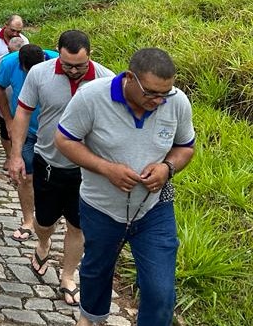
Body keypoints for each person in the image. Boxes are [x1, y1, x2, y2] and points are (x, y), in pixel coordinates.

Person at [56, 48, 194, 326]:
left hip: (154, 209)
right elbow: (64, 140)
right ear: (130, 78)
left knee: (160, 289)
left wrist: (167, 169)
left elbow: (185, 147)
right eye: (151, 93)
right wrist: (107, 169)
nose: (158, 101)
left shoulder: (176, 101)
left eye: (164, 93)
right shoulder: (92, 97)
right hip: (101, 206)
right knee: (97, 269)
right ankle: (91, 318)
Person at [7, 30, 113, 308]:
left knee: (78, 226)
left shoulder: (106, 78)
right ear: (58, 53)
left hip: (87, 169)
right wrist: (16, 155)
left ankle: (67, 276)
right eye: (68, 65)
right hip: (49, 162)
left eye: (80, 65)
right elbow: (23, 112)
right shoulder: (40, 74)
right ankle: (43, 244)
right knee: (45, 222)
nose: (74, 71)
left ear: (90, 55)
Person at [0, 44, 58, 240]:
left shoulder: (57, 62)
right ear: (21, 65)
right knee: (26, 176)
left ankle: (49, 216)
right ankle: (28, 220)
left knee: (52, 177)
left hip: (52, 132)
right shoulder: (8, 63)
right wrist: (9, 120)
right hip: (26, 130)